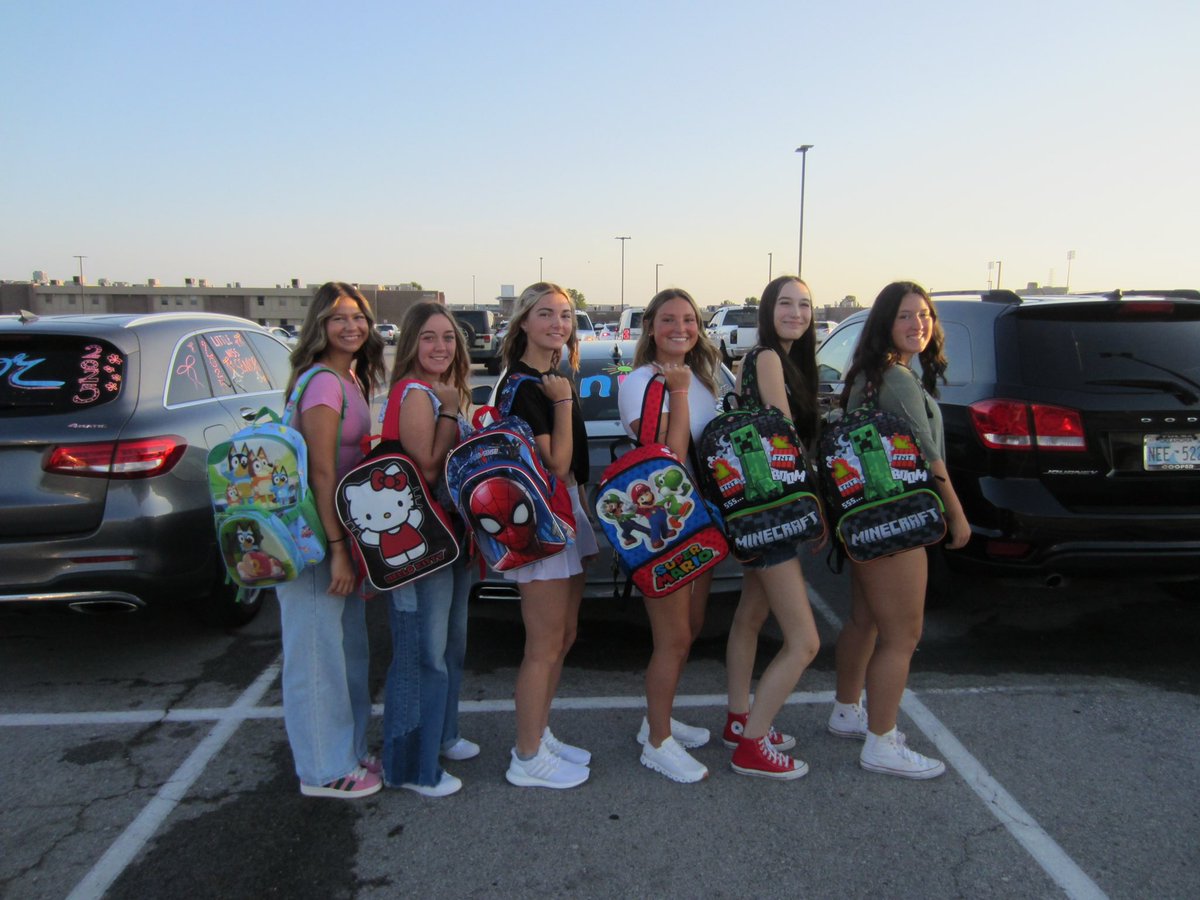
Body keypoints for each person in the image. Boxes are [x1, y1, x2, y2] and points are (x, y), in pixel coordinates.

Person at [827, 280, 969, 779]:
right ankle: (882, 742)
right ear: (886, 323)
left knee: (865, 622)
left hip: (864, 519)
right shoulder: (898, 378)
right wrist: (955, 512)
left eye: (925, 314)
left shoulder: (868, 374)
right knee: (903, 636)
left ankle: (848, 710)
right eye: (906, 316)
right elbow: (929, 454)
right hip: (898, 519)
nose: (919, 324)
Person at [277, 281, 386, 799]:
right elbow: (322, 473)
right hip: (314, 539)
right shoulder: (323, 382)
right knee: (317, 653)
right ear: (319, 325)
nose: (352, 326)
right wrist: (340, 550)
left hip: (334, 532)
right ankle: (323, 769)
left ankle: (344, 749)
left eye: (360, 317)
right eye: (340, 317)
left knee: (344, 649)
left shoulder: (349, 378)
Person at [617, 288, 723, 783]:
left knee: (692, 625)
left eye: (688, 319)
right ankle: (658, 743)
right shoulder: (641, 381)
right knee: (672, 636)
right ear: (650, 328)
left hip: (700, 518)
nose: (679, 328)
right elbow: (670, 458)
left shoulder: (702, 379)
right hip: (664, 526)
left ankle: (655, 721)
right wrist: (677, 392)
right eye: (667, 319)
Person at [496, 282, 598, 789]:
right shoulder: (524, 386)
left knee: (564, 635)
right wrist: (561, 402)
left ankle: (540, 732)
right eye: (545, 314)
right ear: (523, 324)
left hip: (567, 515)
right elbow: (555, 465)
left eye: (565, 315)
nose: (558, 324)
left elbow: (572, 469)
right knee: (543, 643)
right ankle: (526, 755)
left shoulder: (551, 376)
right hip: (539, 525)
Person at [723, 276, 823, 779]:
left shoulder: (773, 359)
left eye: (804, 305)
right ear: (768, 310)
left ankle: (740, 719)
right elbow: (783, 437)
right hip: (775, 510)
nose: (796, 313)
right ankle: (753, 744)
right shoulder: (766, 358)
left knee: (750, 617)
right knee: (805, 641)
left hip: (756, 509)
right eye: (786, 303)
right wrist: (817, 504)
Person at [379, 302, 479, 798]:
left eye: (448, 337)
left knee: (450, 646)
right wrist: (449, 412)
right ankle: (412, 766)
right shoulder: (416, 395)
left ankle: (444, 734)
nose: (441, 347)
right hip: (419, 548)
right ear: (412, 345)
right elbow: (430, 468)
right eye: (429, 338)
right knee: (423, 653)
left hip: (450, 540)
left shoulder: (441, 391)